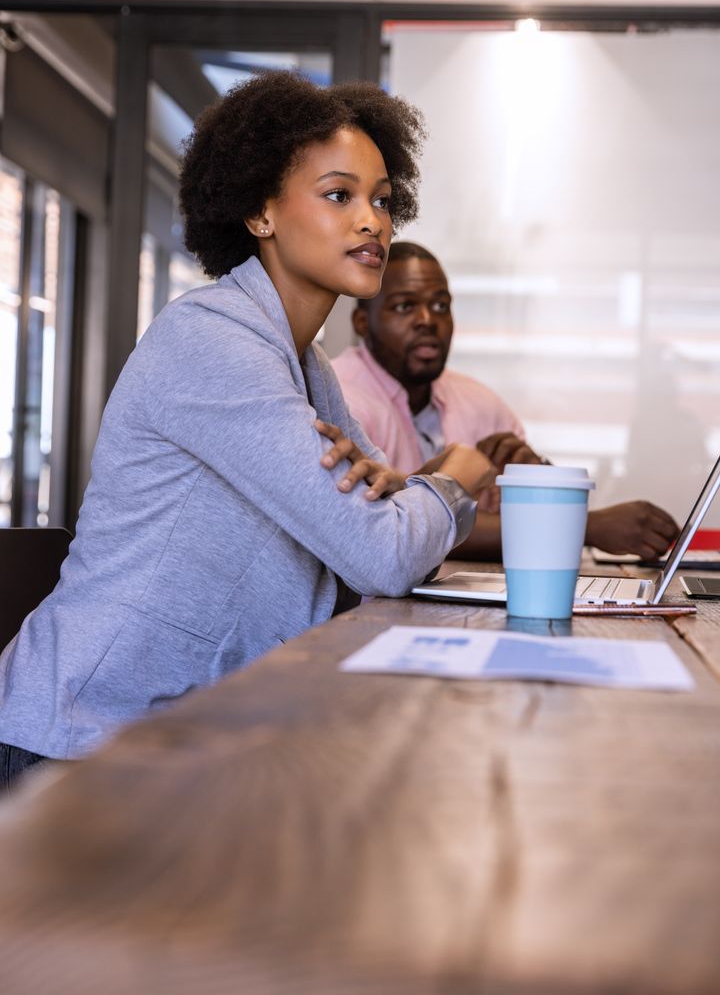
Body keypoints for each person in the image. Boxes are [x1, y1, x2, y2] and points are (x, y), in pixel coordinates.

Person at [0, 76, 496, 788]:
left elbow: (392, 539)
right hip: (78, 741)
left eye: (383, 200)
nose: (373, 223)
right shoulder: (212, 344)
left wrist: (411, 496)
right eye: (339, 195)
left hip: (186, 742)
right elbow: (384, 549)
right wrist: (457, 475)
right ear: (260, 211)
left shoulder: (306, 365)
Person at [332, 241, 680, 560]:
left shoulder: (480, 403)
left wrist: (535, 478)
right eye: (405, 306)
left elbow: (528, 509)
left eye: (440, 305)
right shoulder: (342, 398)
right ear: (363, 322)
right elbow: (395, 527)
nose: (428, 321)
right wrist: (583, 527)